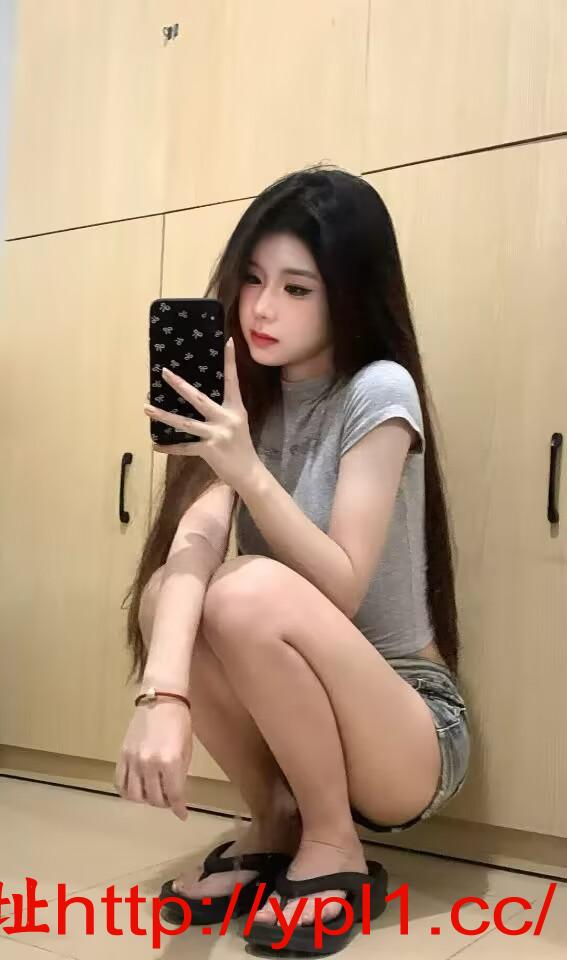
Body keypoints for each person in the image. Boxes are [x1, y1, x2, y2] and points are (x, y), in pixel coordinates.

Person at [115, 165, 471, 953]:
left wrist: (247, 470)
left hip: (408, 728)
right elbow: (194, 543)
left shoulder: (377, 391)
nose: (262, 308)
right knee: (171, 594)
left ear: (349, 293)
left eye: (297, 288)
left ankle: (334, 843)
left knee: (244, 591)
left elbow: (339, 587)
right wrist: (161, 697)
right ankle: (277, 822)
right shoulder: (247, 395)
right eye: (251, 279)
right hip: (302, 719)